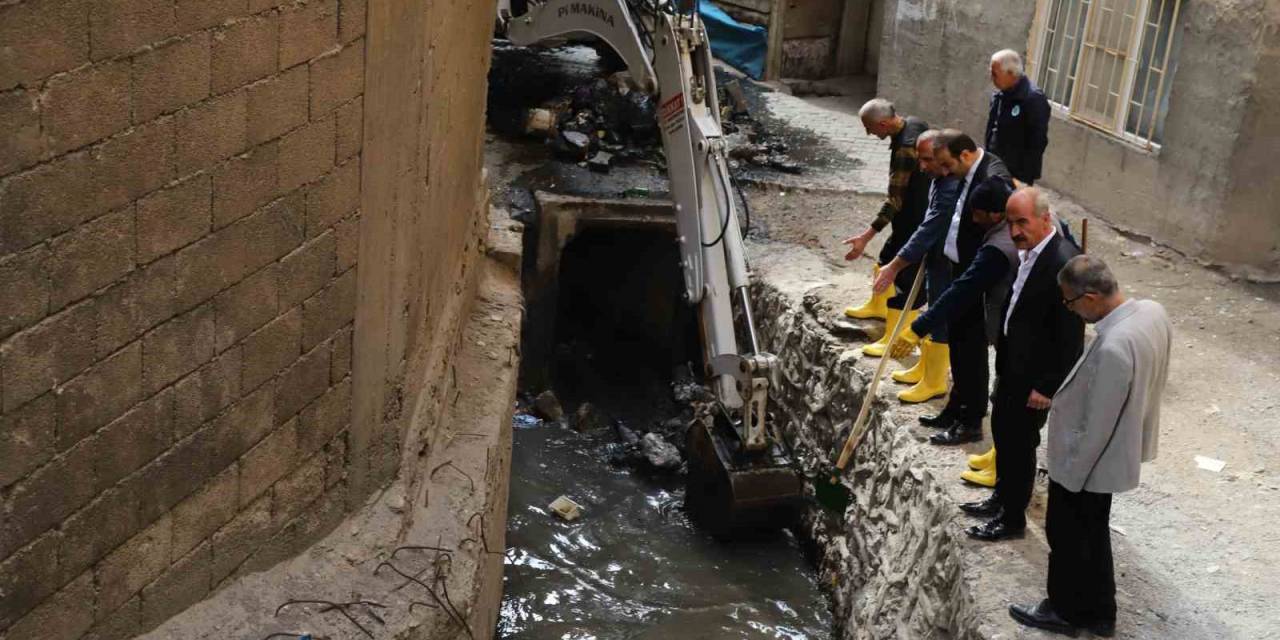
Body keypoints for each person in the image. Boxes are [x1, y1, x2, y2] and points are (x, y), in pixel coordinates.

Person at [1009, 255, 1171, 637]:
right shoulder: (1152, 312)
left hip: (1090, 463)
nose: (1071, 311)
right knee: (1094, 536)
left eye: (1071, 303)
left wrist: (1068, 474)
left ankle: (1064, 610)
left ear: (1092, 296)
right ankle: (1100, 612)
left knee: (1066, 536)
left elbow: (1097, 425)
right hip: (1117, 450)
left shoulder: (1114, 346)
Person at [966, 187, 1083, 542]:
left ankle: (1012, 518)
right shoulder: (1032, 251)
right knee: (1003, 433)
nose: (1015, 230)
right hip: (1012, 366)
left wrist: (1047, 386)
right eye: (1011, 222)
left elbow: (1070, 337)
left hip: (1033, 377)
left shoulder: (1063, 261)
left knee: (1019, 445)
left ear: (1045, 219)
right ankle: (1001, 499)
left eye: (1023, 222)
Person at [889, 176, 1019, 481]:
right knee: (962, 351)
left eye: (978, 215)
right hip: (988, 306)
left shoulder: (1000, 247)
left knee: (996, 382)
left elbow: (964, 289)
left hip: (1003, 318)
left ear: (996, 214)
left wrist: (918, 327)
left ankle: (975, 428)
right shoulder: (997, 225)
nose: (973, 220)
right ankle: (957, 410)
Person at [916, 130, 1011, 446]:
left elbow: (1000, 207)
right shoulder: (966, 172)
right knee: (957, 346)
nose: (944, 173)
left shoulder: (992, 177)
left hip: (977, 276)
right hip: (959, 265)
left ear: (965, 155)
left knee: (970, 351)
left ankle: (971, 421)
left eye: (947, 165)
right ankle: (956, 408)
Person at [869, 129, 959, 402]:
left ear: (946, 157)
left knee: (940, 314)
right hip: (936, 255)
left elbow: (931, 226)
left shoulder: (952, 185)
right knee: (933, 303)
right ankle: (926, 368)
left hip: (949, 258)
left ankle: (935, 380)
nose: (921, 166)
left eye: (927, 159)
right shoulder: (938, 178)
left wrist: (895, 265)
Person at [842, 99, 932, 359]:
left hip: (915, 219)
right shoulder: (915, 123)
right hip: (908, 219)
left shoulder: (905, 150)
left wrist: (865, 236)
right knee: (886, 256)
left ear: (883, 123)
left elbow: (894, 200)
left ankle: (895, 340)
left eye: (870, 129)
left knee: (905, 278)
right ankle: (878, 306)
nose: (870, 134)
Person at [985, 49, 1051, 186]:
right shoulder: (1000, 94)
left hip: (1017, 173)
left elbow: (1038, 141)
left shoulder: (1033, 99)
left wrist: (1022, 177)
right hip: (994, 165)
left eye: (995, 74)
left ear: (1010, 74)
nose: (991, 78)